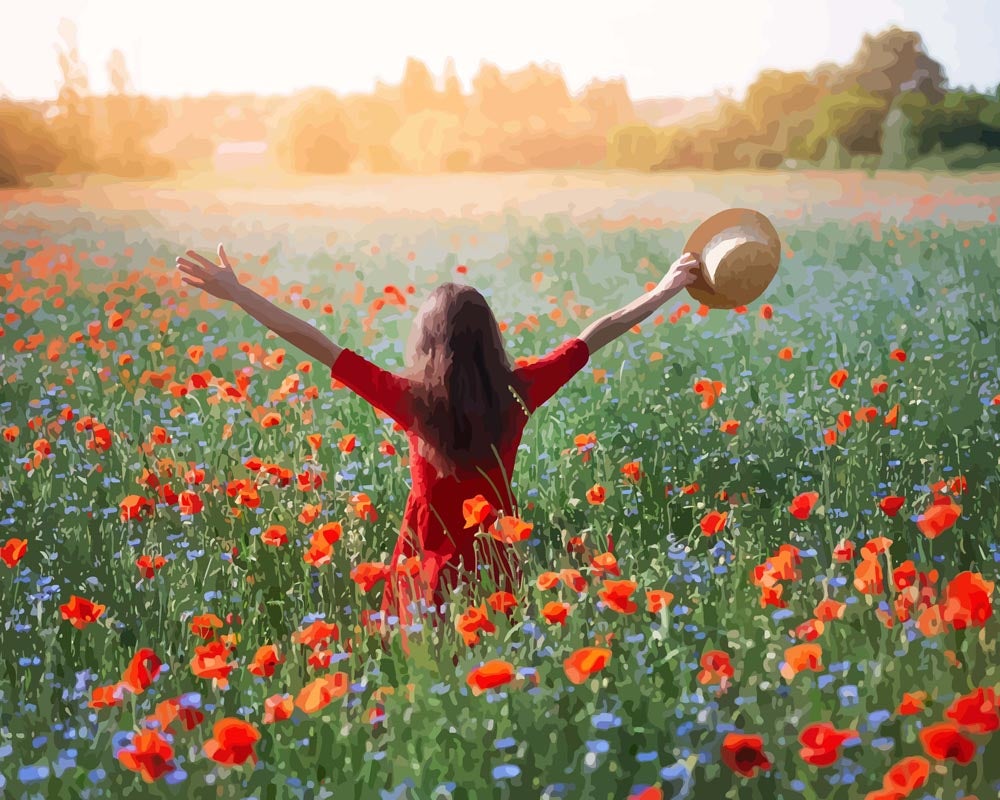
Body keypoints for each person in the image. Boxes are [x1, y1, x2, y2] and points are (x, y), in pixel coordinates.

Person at [175, 244, 702, 648]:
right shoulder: (518, 393)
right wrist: (663, 289)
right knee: (492, 667)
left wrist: (240, 293)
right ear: (490, 338)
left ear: (427, 342)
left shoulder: (413, 401)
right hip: (495, 562)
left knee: (424, 674)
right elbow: (596, 333)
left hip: (424, 566)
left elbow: (316, 342)